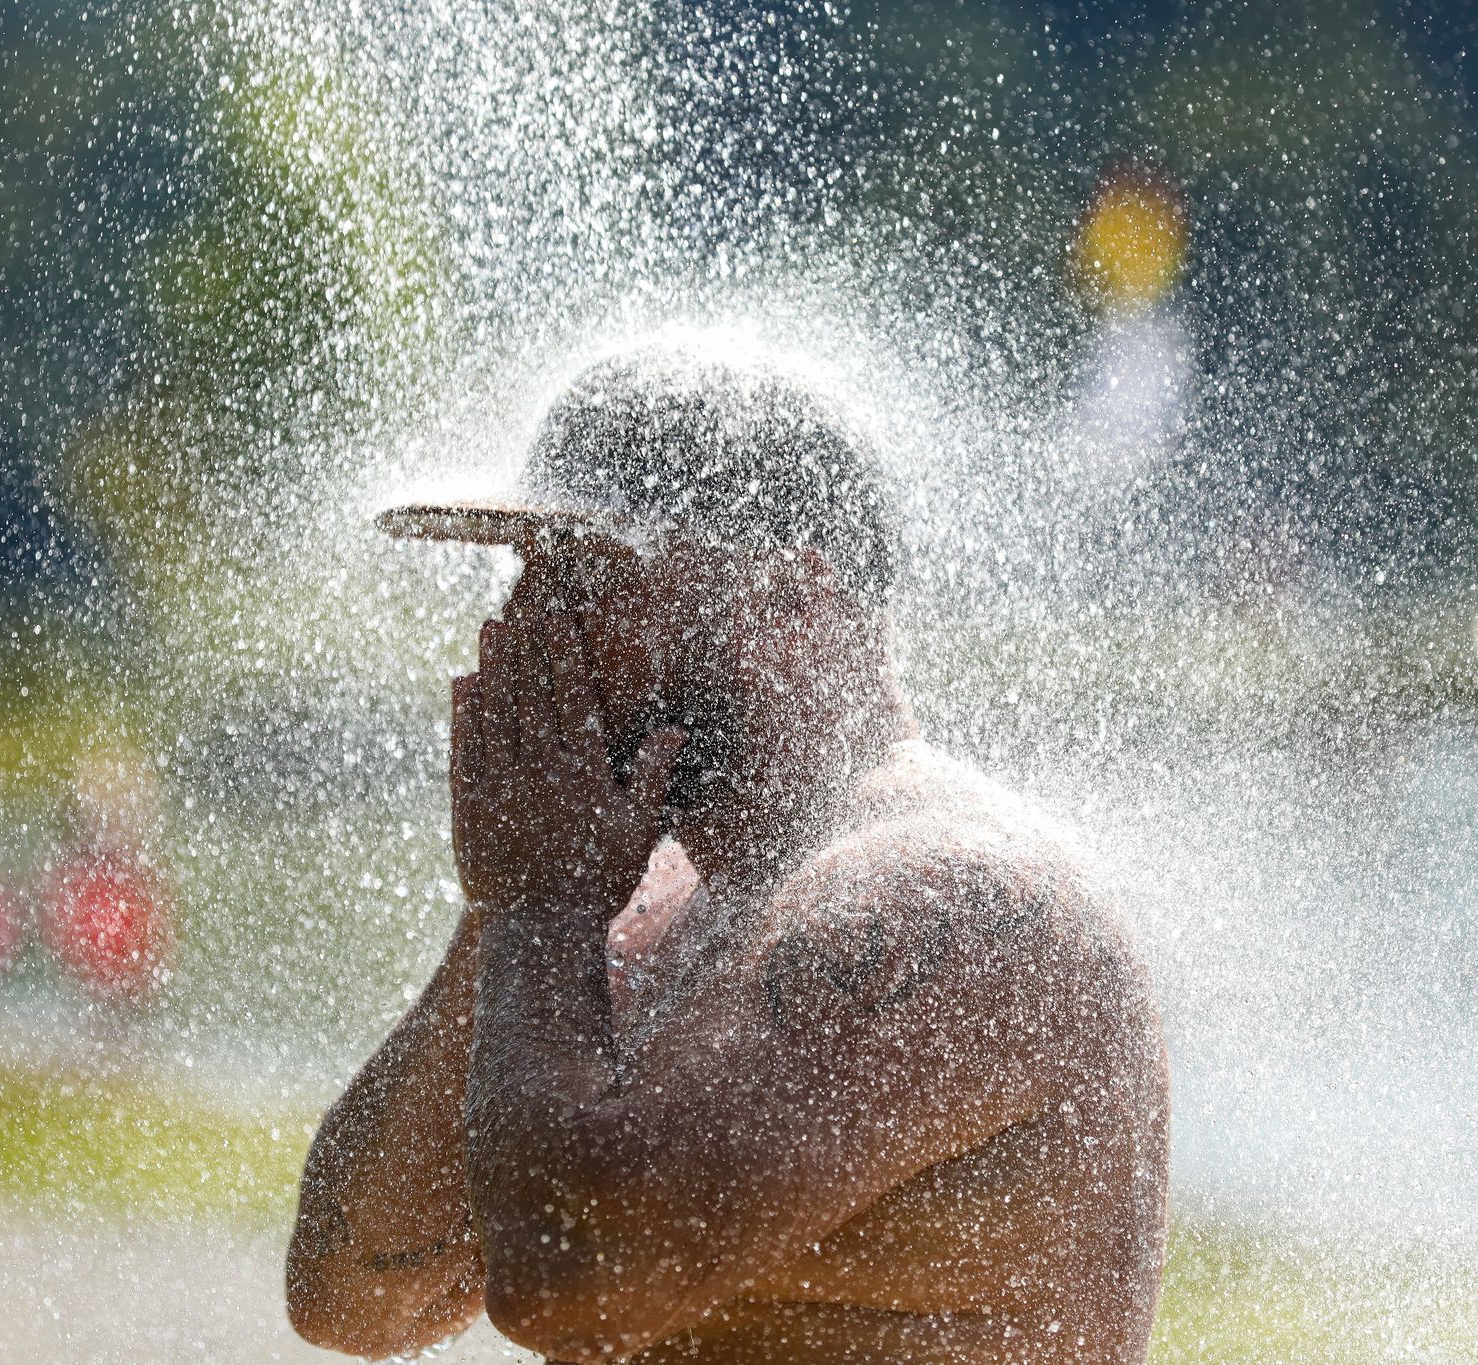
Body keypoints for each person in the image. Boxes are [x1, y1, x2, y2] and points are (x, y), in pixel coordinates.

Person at [284, 344, 1170, 1364]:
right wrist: (506, 906)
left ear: (792, 602)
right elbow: (350, 1301)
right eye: (521, 574)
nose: (527, 623)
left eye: (583, 573)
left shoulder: (951, 896)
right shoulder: (631, 903)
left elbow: (570, 1285)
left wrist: (539, 903)